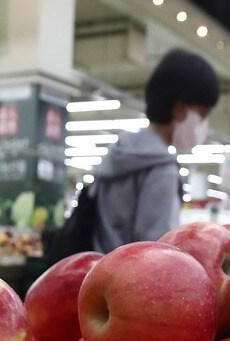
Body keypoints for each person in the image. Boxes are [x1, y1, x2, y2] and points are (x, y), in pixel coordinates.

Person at [93, 48, 219, 252]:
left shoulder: (119, 151)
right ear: (179, 108)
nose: (203, 124)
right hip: (131, 280)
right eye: (202, 114)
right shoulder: (162, 168)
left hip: (97, 273)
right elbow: (157, 253)